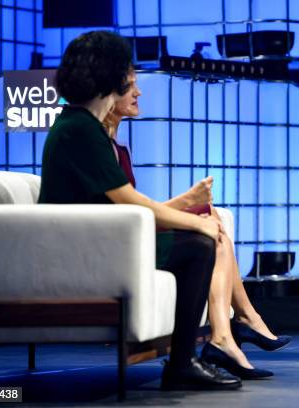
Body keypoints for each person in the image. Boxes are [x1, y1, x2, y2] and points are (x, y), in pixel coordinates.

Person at [38, 30, 241, 390]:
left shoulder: (85, 128)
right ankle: (183, 363)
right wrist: (196, 224)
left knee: (201, 237)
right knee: (198, 246)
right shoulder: (79, 129)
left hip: (103, 243)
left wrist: (190, 215)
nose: (136, 87)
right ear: (110, 76)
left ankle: (198, 352)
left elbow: (129, 204)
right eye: (128, 76)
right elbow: (130, 202)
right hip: (88, 253)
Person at [103, 70, 292, 379]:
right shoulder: (93, 142)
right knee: (210, 226)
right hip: (122, 242)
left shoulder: (117, 148)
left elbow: (134, 208)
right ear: (107, 93)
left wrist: (192, 207)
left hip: (129, 231)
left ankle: (235, 328)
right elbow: (131, 210)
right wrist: (189, 204)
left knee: (212, 219)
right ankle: (238, 326)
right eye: (131, 86)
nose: (139, 93)